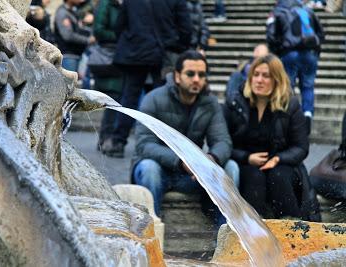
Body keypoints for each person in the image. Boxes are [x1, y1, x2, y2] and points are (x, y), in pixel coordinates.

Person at [132, 50, 239, 221]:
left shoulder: (210, 104)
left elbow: (222, 141)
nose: (196, 79)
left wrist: (211, 159)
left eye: (201, 74)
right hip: (161, 169)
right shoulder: (153, 99)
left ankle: (225, 234)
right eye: (190, 74)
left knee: (231, 167)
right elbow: (144, 145)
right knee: (148, 168)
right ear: (177, 76)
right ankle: (151, 231)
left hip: (193, 174)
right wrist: (183, 161)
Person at [223, 54, 318, 219]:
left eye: (266, 76)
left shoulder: (291, 105)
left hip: (282, 164)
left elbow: (301, 147)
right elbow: (224, 143)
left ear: (277, 80)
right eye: (256, 75)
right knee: (254, 177)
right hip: (247, 163)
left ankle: (291, 228)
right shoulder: (235, 103)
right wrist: (246, 157)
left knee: (278, 176)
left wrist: (278, 159)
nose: (259, 80)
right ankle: (253, 232)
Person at [101, 0, 192, 157]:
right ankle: (162, 142)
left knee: (129, 97)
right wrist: (176, 45)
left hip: (135, 51)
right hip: (162, 51)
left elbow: (119, 25)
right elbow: (186, 29)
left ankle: (118, 141)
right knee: (163, 99)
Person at [266, 0, 325, 134]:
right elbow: (321, 33)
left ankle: (287, 118)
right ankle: (307, 114)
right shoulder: (308, 11)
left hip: (289, 53)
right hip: (310, 54)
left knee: (287, 86)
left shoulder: (278, 12)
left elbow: (271, 35)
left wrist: (278, 50)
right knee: (308, 86)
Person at [92, 0, 123, 149]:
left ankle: (107, 138)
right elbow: (99, 30)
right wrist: (122, 35)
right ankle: (105, 138)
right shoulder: (107, 4)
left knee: (118, 98)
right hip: (108, 57)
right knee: (113, 97)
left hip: (121, 56)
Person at [54, 0, 96, 73]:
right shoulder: (62, 12)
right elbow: (68, 35)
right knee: (68, 83)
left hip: (76, 54)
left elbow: (76, 29)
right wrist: (88, 40)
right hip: (68, 56)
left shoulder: (72, 11)